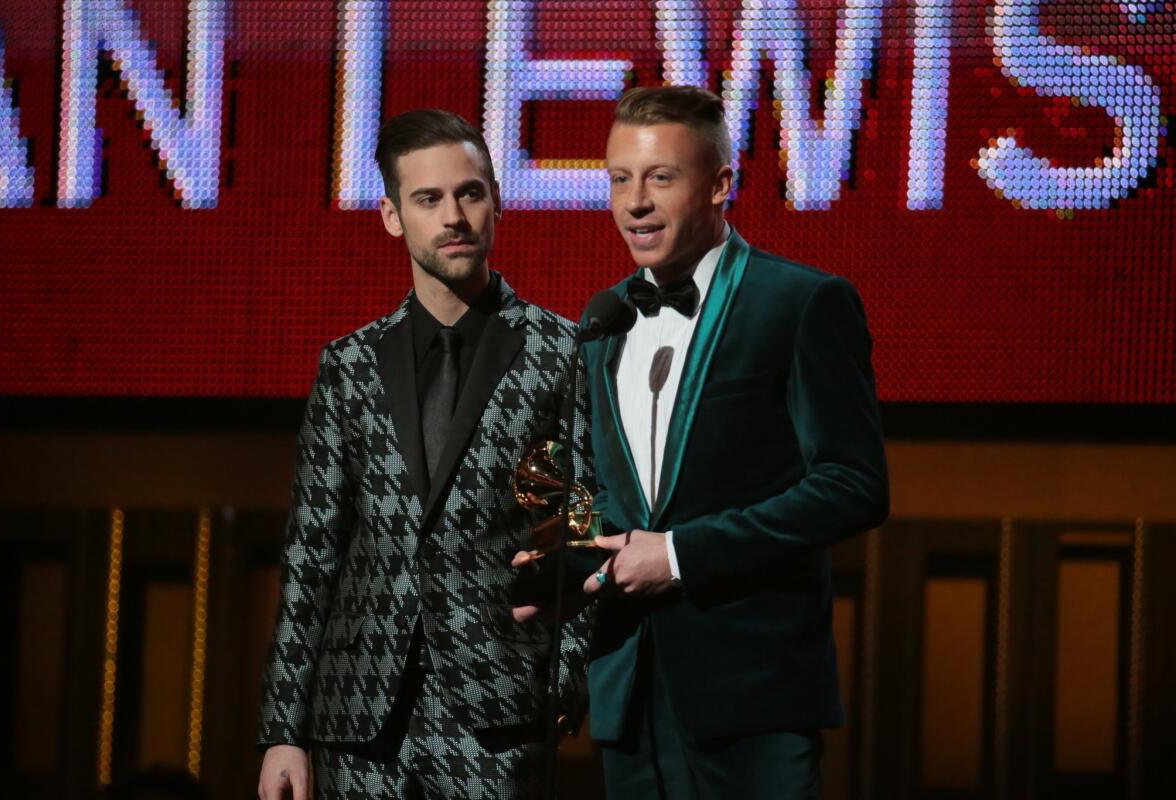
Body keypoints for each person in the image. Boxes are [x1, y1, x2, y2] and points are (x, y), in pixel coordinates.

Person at [256, 108, 592, 800]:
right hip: (358, 720)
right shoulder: (349, 365)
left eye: (469, 193)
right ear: (391, 214)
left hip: (498, 710)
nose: (454, 216)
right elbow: (312, 555)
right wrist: (282, 730)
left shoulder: (563, 355)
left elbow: (586, 522)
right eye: (428, 198)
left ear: (497, 200)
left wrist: (562, 684)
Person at [578, 86, 889, 798]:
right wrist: (560, 569)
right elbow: (608, 496)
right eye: (619, 179)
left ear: (721, 183)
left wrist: (682, 555)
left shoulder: (803, 303)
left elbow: (854, 484)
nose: (635, 203)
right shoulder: (604, 322)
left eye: (661, 177)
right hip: (628, 689)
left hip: (754, 695)